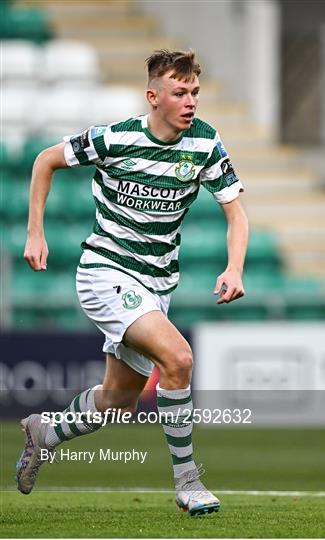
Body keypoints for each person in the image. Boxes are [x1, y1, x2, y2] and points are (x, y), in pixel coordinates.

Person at [16, 49, 248, 516]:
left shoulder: (205, 143)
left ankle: (46, 431)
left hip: (157, 284)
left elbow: (236, 213)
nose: (190, 101)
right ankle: (187, 483)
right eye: (179, 92)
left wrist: (235, 267)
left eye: (195, 92)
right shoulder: (115, 138)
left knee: (117, 402)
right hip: (105, 272)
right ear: (153, 96)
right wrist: (35, 232)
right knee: (179, 358)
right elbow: (45, 161)